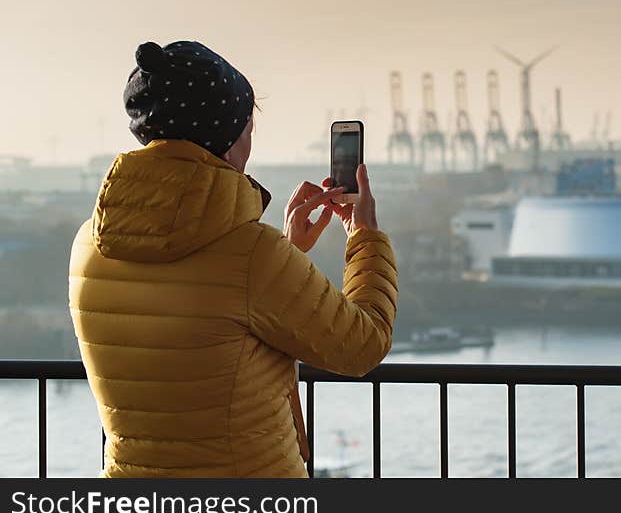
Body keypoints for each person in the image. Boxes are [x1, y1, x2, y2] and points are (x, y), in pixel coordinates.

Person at [68, 40, 397, 477]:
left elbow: (209, 321)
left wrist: (288, 255)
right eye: (247, 133)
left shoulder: (89, 244)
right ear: (226, 143)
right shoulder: (251, 256)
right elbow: (362, 345)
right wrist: (364, 237)